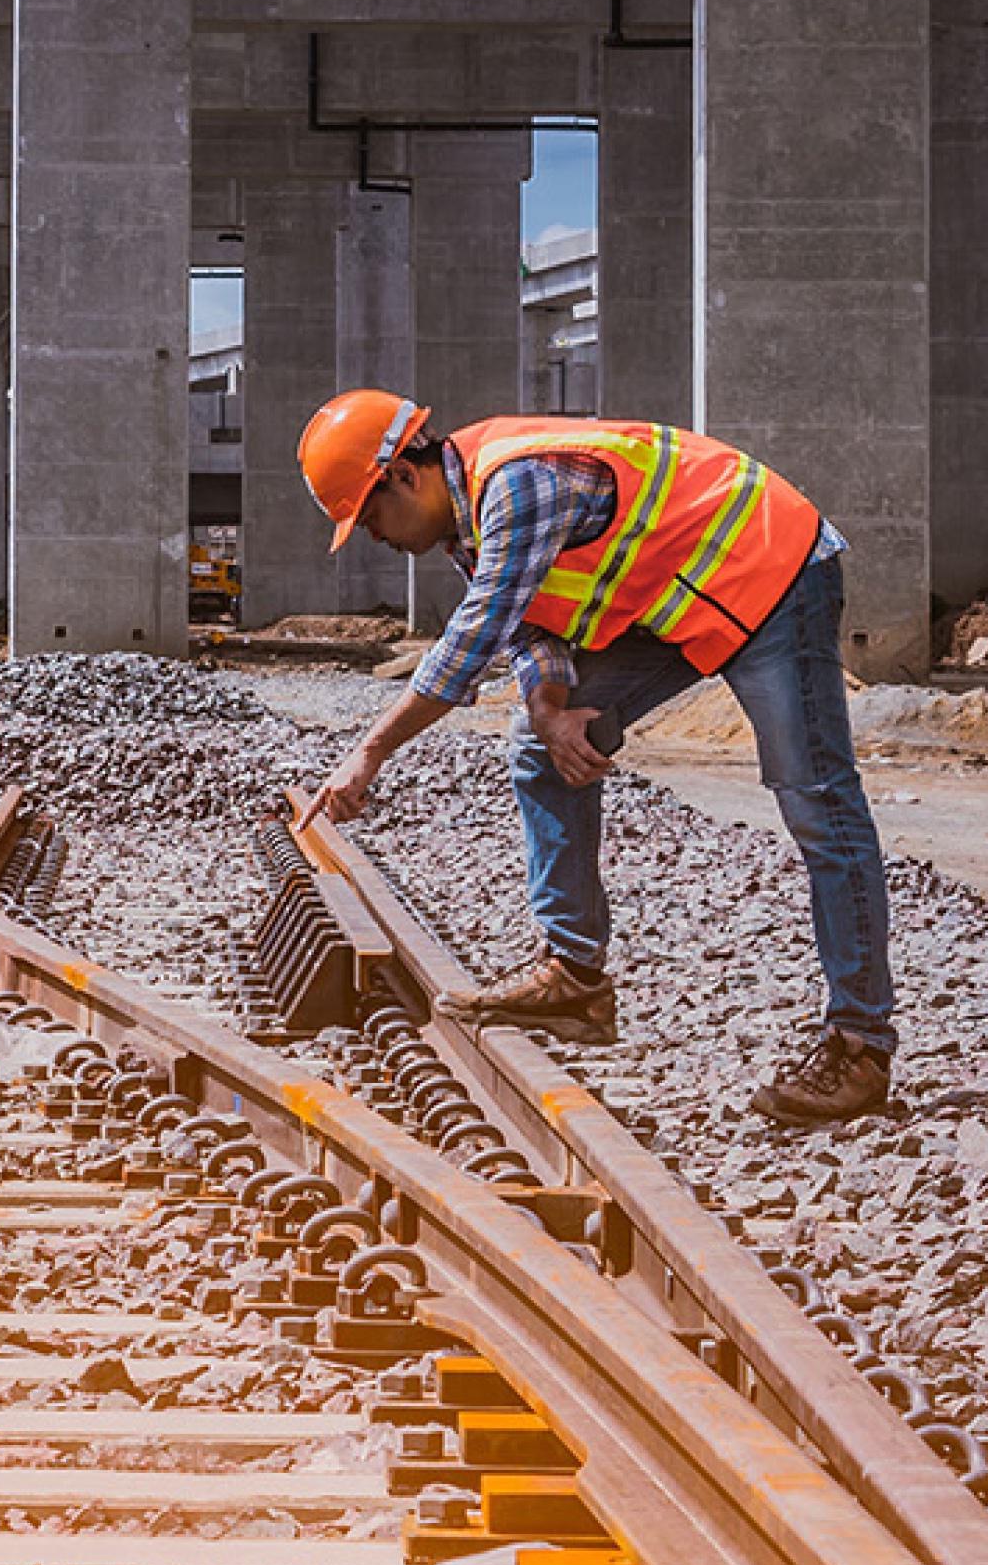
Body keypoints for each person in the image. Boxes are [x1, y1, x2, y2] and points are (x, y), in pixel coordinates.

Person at [295, 389, 896, 1127]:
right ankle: (573, 977)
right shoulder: (467, 524)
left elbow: (475, 637)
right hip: (677, 603)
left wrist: (369, 751)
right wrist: (548, 709)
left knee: (814, 801)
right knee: (539, 748)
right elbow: (528, 625)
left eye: (370, 519)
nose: (375, 538)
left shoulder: (515, 484)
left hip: (770, 572)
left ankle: (859, 1045)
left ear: (401, 477)